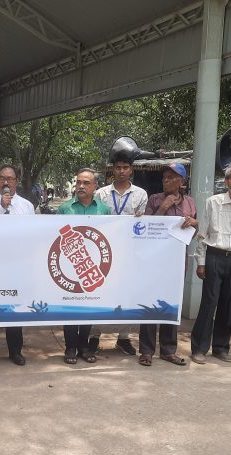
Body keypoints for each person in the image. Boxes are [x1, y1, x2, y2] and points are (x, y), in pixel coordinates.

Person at [190, 165, 231, 364]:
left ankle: (221, 347)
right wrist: (201, 262)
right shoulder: (214, 202)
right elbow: (203, 234)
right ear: (226, 181)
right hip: (214, 256)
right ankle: (199, 348)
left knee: (229, 304)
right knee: (209, 303)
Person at [88, 146, 148, 356]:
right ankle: (93, 336)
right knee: (99, 292)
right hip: (103, 251)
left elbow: (141, 225)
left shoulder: (140, 194)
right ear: (112, 170)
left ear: (131, 170)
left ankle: (123, 337)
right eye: (118, 167)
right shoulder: (100, 193)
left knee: (126, 294)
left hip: (129, 252)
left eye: (125, 167)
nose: (122, 171)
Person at [139, 162, 197, 367]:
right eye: (164, 178)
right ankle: (146, 351)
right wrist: (163, 208)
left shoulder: (190, 202)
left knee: (171, 306)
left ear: (181, 182)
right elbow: (145, 227)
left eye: (171, 178)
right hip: (154, 262)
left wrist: (194, 224)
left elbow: (193, 233)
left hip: (177, 263)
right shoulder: (154, 199)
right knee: (149, 305)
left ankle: (168, 350)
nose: (166, 181)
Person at [0, 165, 34, 365]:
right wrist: (2, 207)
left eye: (9, 179)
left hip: (16, 265)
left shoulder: (26, 206)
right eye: (2, 178)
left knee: (14, 308)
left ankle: (15, 351)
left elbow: (31, 235)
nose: (5, 182)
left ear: (16, 181)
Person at [57, 168, 110, 364]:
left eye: (86, 183)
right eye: (78, 182)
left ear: (95, 186)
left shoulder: (104, 210)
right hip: (70, 266)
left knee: (89, 304)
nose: (80, 186)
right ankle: (70, 347)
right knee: (69, 305)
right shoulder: (64, 209)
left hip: (94, 263)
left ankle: (84, 347)